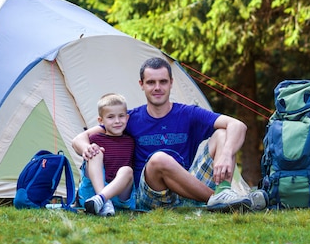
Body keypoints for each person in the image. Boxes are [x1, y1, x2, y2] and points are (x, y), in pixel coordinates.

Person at [73, 57, 267, 212]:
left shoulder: (188, 113)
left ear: (171, 83)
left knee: (223, 134)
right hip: (151, 194)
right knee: (158, 159)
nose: (157, 87)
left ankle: (224, 192)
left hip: (188, 186)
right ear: (142, 84)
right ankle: (218, 200)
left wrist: (225, 153)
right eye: (151, 82)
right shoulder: (130, 118)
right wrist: (87, 148)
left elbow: (237, 125)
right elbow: (80, 139)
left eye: (163, 82)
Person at [77, 93, 135, 216]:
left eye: (121, 116)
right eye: (111, 117)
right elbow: (79, 145)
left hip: (119, 195)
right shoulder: (94, 138)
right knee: (95, 152)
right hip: (92, 194)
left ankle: (103, 199)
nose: (117, 121)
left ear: (127, 118)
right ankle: (103, 200)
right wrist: (90, 148)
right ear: (100, 121)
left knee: (127, 170)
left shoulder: (131, 140)